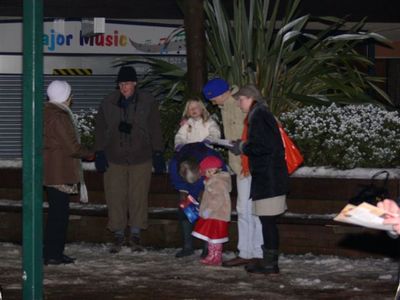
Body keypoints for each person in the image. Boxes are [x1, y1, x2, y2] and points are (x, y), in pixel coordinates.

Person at [94, 66, 164, 253]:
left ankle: (135, 233)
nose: (124, 87)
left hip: (140, 157)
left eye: (128, 83)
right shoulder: (108, 102)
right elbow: (100, 128)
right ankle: (118, 233)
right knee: (115, 195)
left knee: (138, 196)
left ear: (135, 83)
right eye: (121, 83)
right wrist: (99, 151)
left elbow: (155, 127)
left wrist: (158, 152)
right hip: (114, 156)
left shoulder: (147, 102)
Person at [203, 78, 263, 267]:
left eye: (214, 100)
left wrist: (239, 146)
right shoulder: (225, 107)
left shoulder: (240, 104)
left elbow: (253, 134)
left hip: (251, 165)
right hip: (240, 166)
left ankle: (257, 252)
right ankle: (246, 251)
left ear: (223, 94)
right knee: (244, 210)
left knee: (254, 211)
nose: (213, 104)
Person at [229, 84, 289, 275]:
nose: (239, 104)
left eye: (240, 100)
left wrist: (243, 147)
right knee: (267, 221)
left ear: (250, 98)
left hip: (268, 178)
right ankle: (268, 261)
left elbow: (263, 146)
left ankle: (271, 264)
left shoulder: (259, 115)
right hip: (270, 177)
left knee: (268, 222)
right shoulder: (260, 114)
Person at [43, 80, 94, 265]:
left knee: (56, 214)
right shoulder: (59, 115)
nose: (71, 98)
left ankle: (51, 251)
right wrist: (90, 153)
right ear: (64, 96)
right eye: (70, 94)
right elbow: (71, 146)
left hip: (50, 170)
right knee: (59, 215)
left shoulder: (45, 111)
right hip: (59, 172)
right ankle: (53, 254)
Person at [169, 142, 227, 258]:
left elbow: (222, 174)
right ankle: (188, 247)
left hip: (208, 187)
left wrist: (207, 190)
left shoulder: (210, 157)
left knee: (209, 214)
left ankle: (207, 248)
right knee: (184, 210)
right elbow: (177, 181)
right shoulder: (175, 163)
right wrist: (183, 191)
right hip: (188, 187)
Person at [192, 156, 232, 266]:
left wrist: (209, 210)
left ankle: (215, 256)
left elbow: (218, 199)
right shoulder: (213, 181)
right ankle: (212, 255)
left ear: (213, 170)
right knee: (212, 237)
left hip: (217, 215)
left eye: (207, 172)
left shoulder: (217, 182)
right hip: (214, 215)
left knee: (215, 238)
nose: (205, 174)